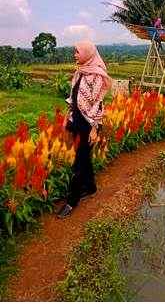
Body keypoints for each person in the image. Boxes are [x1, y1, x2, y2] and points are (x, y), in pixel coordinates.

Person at [57, 40, 112, 219]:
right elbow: (74, 97)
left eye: (77, 51)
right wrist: (68, 117)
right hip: (77, 120)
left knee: (79, 162)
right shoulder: (80, 71)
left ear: (87, 53)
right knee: (84, 158)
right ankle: (91, 188)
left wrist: (95, 129)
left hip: (90, 124)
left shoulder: (96, 75)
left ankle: (72, 201)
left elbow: (97, 103)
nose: (74, 54)